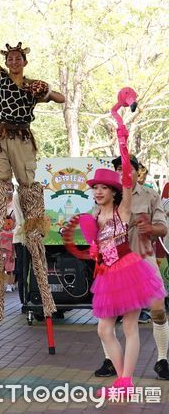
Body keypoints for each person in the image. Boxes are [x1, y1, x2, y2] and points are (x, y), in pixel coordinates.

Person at [0, 0, 65, 322]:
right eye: (9, 57)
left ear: (24, 61)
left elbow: (60, 98)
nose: (12, 61)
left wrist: (48, 91)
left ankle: (34, 231)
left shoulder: (31, 86)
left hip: (23, 138)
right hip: (1, 134)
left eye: (17, 58)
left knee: (29, 187)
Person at [93, 154, 169, 380]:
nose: (123, 173)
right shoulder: (108, 196)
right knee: (107, 313)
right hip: (113, 265)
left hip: (143, 260)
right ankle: (110, 360)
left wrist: (150, 229)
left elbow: (162, 229)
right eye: (118, 169)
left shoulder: (150, 195)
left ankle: (162, 359)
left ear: (138, 172)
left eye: (127, 169)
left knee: (157, 311)